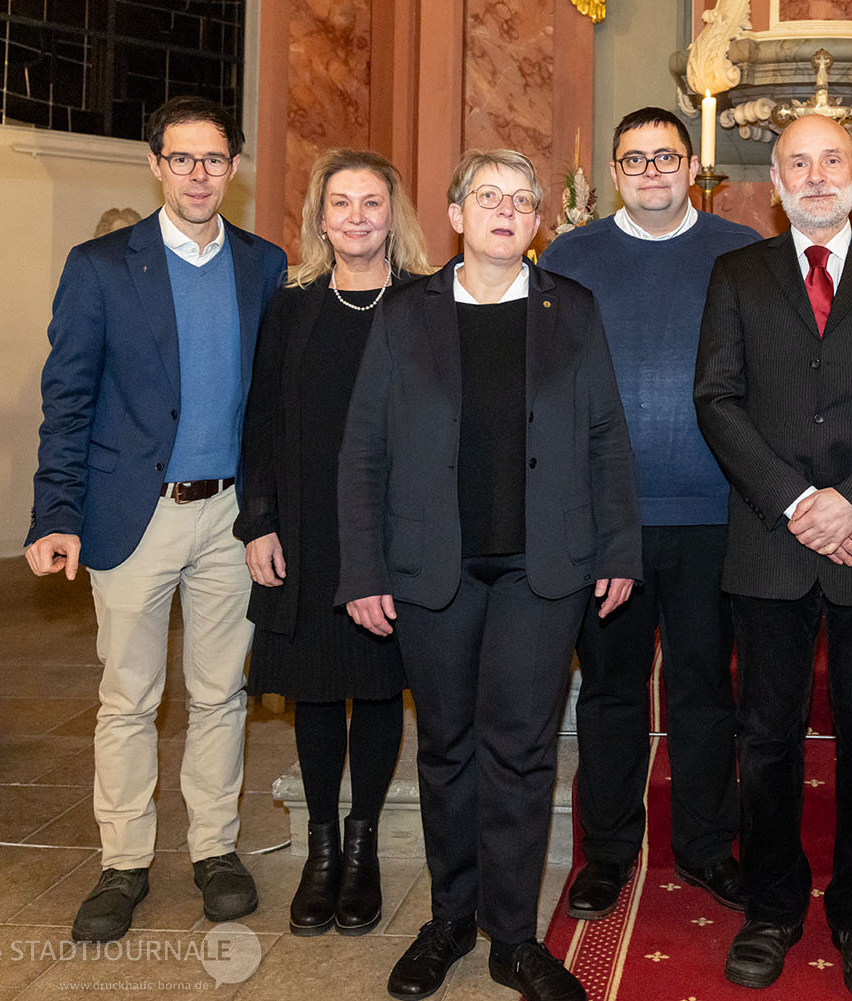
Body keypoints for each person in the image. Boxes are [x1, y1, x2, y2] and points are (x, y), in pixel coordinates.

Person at [335, 149, 643, 1001]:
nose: (504, 211)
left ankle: (512, 937)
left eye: (520, 200)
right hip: (432, 566)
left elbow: (605, 435)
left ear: (537, 220)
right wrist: (362, 567)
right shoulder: (406, 313)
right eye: (487, 196)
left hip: (542, 569)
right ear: (455, 215)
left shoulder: (572, 308)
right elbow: (363, 449)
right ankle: (448, 921)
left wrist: (619, 548)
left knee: (520, 749)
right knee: (446, 746)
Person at [694, 113, 852, 1001]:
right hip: (770, 541)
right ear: (774, 180)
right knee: (766, 738)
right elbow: (716, 397)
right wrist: (800, 502)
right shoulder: (737, 275)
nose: (815, 176)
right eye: (797, 162)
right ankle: (771, 907)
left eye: (831, 160)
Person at [25, 96, 287, 943]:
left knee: (221, 692)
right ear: (155, 165)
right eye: (182, 158)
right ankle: (124, 862)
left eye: (213, 159)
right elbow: (67, 397)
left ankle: (215, 848)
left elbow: (274, 400)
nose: (198, 174)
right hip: (132, 512)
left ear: (233, 168)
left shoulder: (264, 265)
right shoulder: (101, 265)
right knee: (129, 697)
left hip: (229, 515)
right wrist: (55, 510)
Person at [539, 107, 758, 920]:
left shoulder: (741, 252)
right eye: (634, 160)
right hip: (607, 522)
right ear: (614, 172)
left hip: (713, 513)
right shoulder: (570, 257)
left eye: (667, 157)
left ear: (693, 167)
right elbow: (546, 387)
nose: (652, 172)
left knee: (705, 689)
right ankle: (606, 852)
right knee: (610, 691)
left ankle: (705, 847)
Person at [235, 149, 432, 937]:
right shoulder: (292, 307)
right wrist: (259, 520)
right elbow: (260, 421)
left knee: (378, 686)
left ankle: (362, 845)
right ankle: (321, 850)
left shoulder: (425, 303)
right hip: (306, 530)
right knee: (317, 690)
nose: (356, 216)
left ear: (393, 214)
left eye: (371, 202)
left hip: (393, 531)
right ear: (320, 217)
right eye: (341, 202)